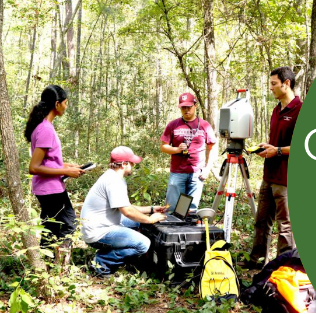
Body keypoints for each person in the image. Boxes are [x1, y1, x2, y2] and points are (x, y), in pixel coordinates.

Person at [242, 67, 303, 269]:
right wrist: (267, 147)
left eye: (274, 84)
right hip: (269, 175)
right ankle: (257, 261)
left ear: (287, 83)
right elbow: (276, 142)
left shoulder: (300, 109)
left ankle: (282, 268)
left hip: (286, 177)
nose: (271, 88)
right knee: (262, 220)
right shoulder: (277, 110)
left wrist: (276, 151)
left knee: (285, 226)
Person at [80, 146, 168, 278]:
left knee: (138, 223)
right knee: (143, 244)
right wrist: (150, 219)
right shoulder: (113, 181)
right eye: (132, 163)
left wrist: (151, 209)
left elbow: (126, 206)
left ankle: (132, 258)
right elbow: (127, 211)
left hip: (102, 224)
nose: (133, 166)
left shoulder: (113, 177)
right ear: (124, 164)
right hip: (98, 232)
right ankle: (101, 263)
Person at [25, 85, 85, 252]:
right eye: (65, 103)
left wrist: (69, 166)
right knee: (69, 224)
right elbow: (34, 167)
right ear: (57, 104)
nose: (66, 106)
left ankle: (46, 265)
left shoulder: (44, 126)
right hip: (50, 189)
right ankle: (59, 267)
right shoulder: (45, 129)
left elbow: (47, 162)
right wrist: (66, 171)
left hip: (48, 188)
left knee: (50, 228)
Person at [160, 92, 217, 211]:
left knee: (190, 210)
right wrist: (177, 149)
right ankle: (172, 229)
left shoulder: (204, 125)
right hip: (177, 173)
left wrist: (207, 168)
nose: (186, 110)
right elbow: (163, 147)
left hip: (197, 173)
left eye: (189, 107)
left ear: (195, 106)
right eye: (183, 107)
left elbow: (212, 148)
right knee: (173, 208)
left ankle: (187, 228)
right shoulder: (173, 125)